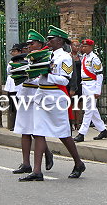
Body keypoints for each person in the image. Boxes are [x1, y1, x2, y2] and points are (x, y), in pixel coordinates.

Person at [19, 25, 86, 181]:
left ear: (60, 41)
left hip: (56, 97)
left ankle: (78, 163)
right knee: (38, 131)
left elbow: (64, 80)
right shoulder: (47, 55)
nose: (48, 42)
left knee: (63, 134)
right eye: (48, 39)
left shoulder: (65, 57)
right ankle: (37, 171)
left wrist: (46, 74)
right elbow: (40, 77)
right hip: (42, 95)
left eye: (51, 39)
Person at [12, 30, 54, 174]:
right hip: (25, 96)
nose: (29, 46)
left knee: (37, 131)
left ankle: (46, 154)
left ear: (40, 44)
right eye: (29, 44)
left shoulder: (47, 58)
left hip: (38, 96)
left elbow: (45, 78)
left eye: (33, 43)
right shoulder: (28, 58)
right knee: (24, 130)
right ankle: (26, 163)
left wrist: (31, 75)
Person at [73, 38, 107, 142]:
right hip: (85, 85)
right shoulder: (84, 57)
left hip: (92, 86)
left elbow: (99, 74)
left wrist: (98, 90)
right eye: (82, 46)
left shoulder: (94, 58)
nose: (83, 48)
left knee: (88, 110)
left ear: (91, 47)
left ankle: (82, 133)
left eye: (85, 46)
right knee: (93, 110)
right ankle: (103, 130)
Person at [5, 43, 23, 131]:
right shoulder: (11, 62)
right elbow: (9, 72)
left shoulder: (23, 61)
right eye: (12, 51)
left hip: (19, 87)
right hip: (11, 87)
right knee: (13, 106)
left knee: (19, 106)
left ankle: (20, 124)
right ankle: (15, 124)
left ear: (20, 52)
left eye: (15, 51)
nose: (13, 53)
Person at [68, 39, 83, 130]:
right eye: (75, 45)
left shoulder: (81, 57)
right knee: (72, 103)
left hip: (80, 81)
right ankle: (72, 122)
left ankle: (78, 122)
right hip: (72, 81)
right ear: (71, 46)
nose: (77, 48)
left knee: (79, 103)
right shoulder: (68, 56)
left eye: (78, 46)